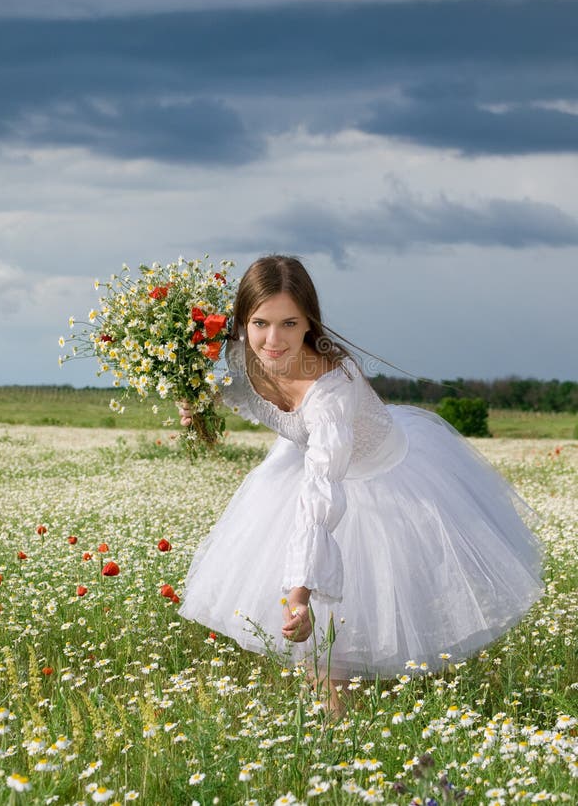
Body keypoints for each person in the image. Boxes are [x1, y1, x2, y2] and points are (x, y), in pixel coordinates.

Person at [177, 254, 543, 711]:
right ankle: (329, 731)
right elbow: (238, 388)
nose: (273, 340)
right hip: (299, 465)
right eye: (260, 323)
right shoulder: (240, 353)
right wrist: (197, 398)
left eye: (290, 324)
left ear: (310, 321)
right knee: (320, 653)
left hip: (380, 484)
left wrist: (299, 593)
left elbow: (322, 490)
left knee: (352, 623)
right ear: (241, 322)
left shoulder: (331, 391)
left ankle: (339, 741)